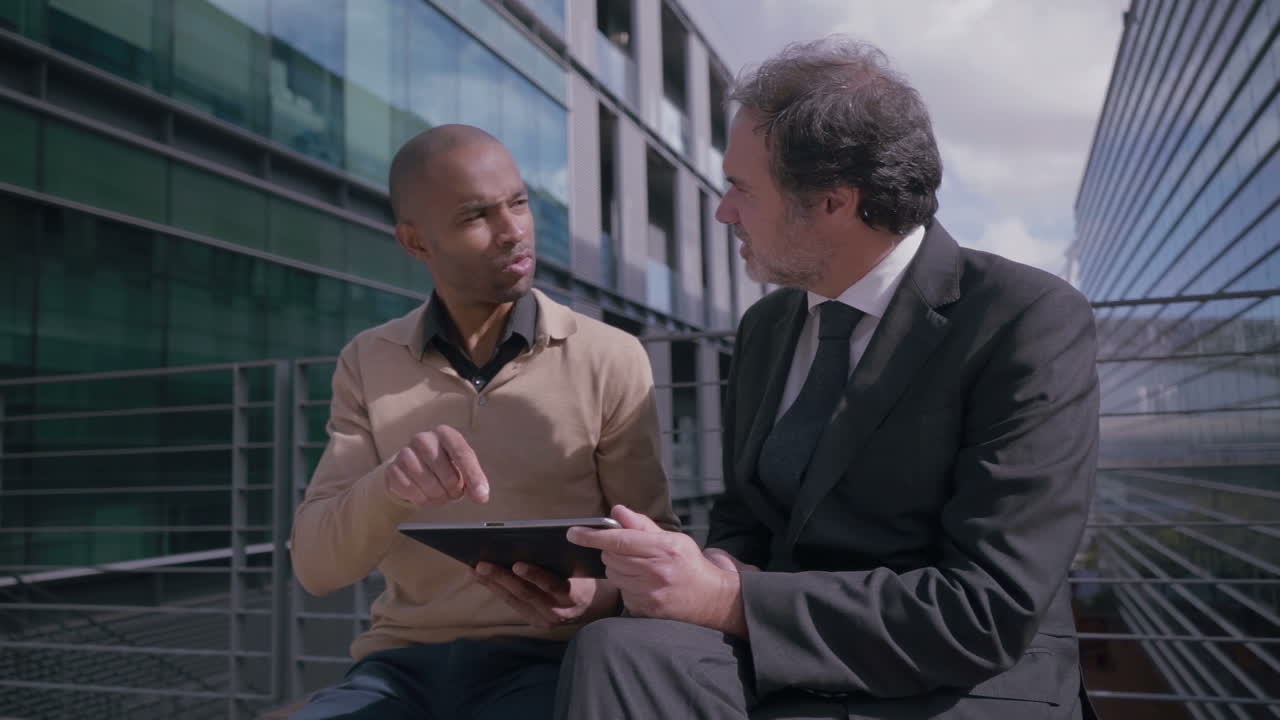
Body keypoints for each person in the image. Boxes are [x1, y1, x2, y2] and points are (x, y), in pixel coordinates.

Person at [557, 37, 1100, 720]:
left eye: (742, 189)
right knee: (614, 648)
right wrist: (642, 582)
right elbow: (746, 524)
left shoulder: (1026, 320)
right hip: (787, 657)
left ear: (834, 203)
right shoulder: (768, 326)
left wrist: (727, 599)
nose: (723, 211)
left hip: (958, 681)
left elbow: (986, 610)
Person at [288, 124, 678, 719]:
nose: (514, 231)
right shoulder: (367, 360)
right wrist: (391, 486)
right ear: (416, 243)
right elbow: (317, 567)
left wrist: (593, 598)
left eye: (518, 202)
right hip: (400, 669)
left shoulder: (611, 357)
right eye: (476, 216)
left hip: (550, 666)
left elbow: (657, 550)